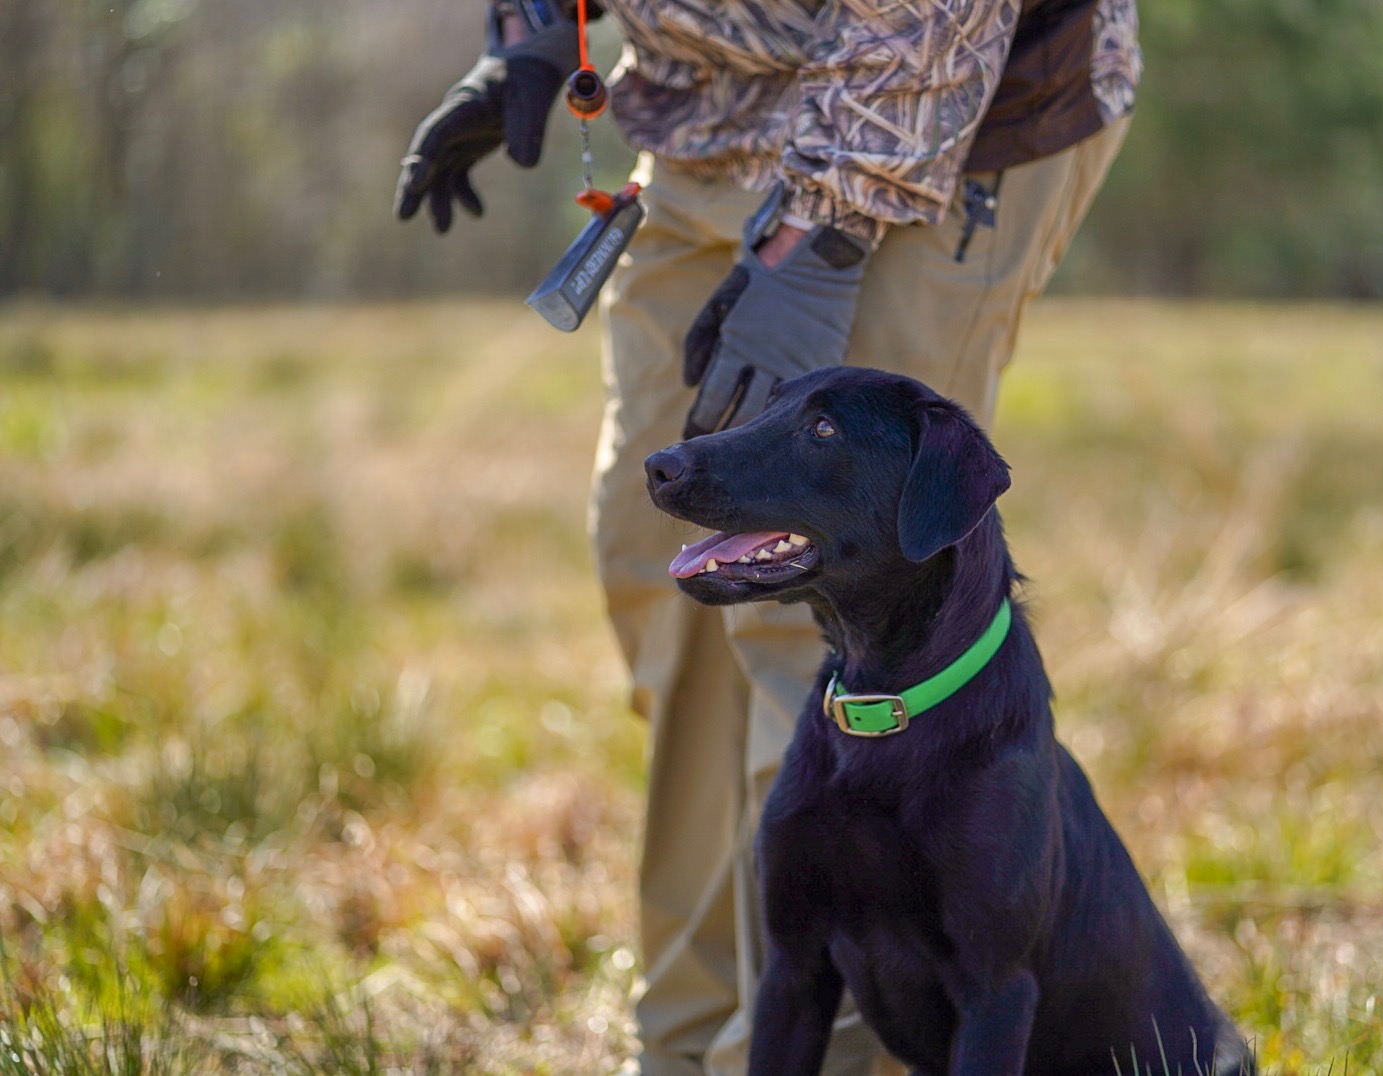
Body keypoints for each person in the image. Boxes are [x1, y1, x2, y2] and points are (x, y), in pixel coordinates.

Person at [396, 2, 1140, 1072]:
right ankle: (691, 1045)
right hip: (700, 115)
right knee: (675, 585)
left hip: (924, 115)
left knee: (832, 606)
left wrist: (821, 234)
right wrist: (532, 30)